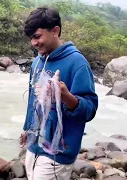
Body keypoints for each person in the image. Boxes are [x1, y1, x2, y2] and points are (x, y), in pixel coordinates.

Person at [20, 7, 99, 180]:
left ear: (55, 31)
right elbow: (33, 102)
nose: (33, 43)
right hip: (34, 146)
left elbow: (90, 110)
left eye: (37, 36)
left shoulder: (78, 64)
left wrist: (66, 96)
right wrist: (27, 129)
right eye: (31, 38)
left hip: (58, 153)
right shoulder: (36, 63)